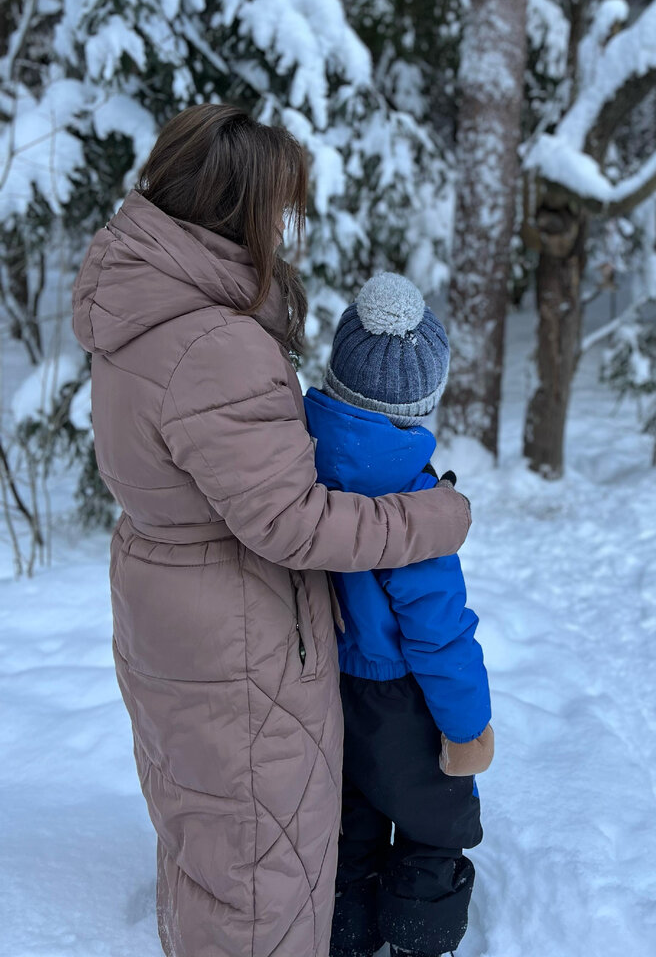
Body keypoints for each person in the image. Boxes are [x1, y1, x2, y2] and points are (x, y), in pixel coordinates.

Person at [71, 104, 472, 957]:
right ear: (236, 206)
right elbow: (289, 522)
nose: (286, 227)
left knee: (211, 830)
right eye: (281, 206)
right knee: (260, 864)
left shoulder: (146, 306)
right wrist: (430, 519)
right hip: (234, 628)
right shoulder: (213, 341)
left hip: (170, 598)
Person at [303, 272, 494, 957]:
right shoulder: (414, 513)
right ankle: (417, 938)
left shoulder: (295, 471)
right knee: (431, 826)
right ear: (421, 405)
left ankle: (345, 938)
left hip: (323, 687)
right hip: (401, 703)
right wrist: (468, 727)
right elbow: (441, 637)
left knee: (350, 824)